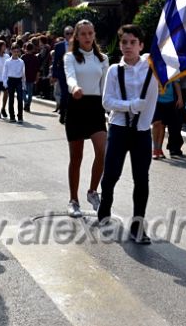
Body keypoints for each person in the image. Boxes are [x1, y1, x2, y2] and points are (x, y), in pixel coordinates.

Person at [98, 24, 159, 244]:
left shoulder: (153, 67)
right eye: (124, 42)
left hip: (142, 131)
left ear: (141, 45)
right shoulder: (115, 70)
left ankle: (138, 225)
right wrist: (132, 105)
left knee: (141, 178)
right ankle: (104, 210)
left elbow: (174, 57)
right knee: (112, 174)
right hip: (119, 127)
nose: (128, 46)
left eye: (133, 42)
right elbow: (107, 102)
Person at [64, 20, 109, 218]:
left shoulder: (102, 58)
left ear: (94, 34)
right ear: (76, 36)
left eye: (90, 33)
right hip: (76, 105)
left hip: (95, 108)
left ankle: (92, 192)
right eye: (83, 34)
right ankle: (73, 200)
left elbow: (106, 85)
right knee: (77, 157)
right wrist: (74, 87)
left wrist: (112, 106)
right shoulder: (70, 57)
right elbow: (70, 76)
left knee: (103, 151)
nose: (87, 37)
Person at [151, 81, 183, 159]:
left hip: (169, 101)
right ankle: (154, 149)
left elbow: (176, 83)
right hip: (156, 100)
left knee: (162, 125)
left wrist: (180, 98)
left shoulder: (172, 69)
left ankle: (159, 149)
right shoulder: (155, 69)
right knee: (156, 124)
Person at [52, 26, 74, 124]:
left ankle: (70, 115)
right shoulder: (59, 46)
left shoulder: (77, 45)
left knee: (72, 94)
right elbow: (55, 61)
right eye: (67, 33)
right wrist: (54, 74)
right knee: (65, 93)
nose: (69, 35)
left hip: (74, 72)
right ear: (64, 35)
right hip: (62, 73)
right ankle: (63, 114)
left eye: (71, 33)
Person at [2, 43, 25, 123]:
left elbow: (23, 73)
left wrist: (23, 84)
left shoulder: (21, 62)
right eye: (14, 51)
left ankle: (20, 116)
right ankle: (12, 116)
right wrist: (5, 83)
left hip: (18, 80)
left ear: (19, 52)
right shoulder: (7, 61)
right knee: (11, 99)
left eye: (17, 51)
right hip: (11, 80)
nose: (15, 53)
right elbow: (4, 73)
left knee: (20, 99)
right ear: (11, 51)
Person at [21, 42, 40, 112]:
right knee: (30, 92)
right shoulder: (35, 58)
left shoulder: (23, 57)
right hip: (32, 76)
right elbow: (38, 69)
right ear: (32, 49)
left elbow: (20, 67)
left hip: (24, 76)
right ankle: (28, 104)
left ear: (25, 49)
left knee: (23, 91)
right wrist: (37, 77)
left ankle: (25, 102)